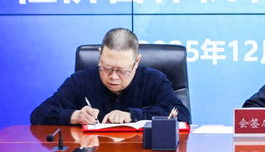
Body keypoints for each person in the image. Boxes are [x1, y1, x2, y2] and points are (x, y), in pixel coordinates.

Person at [30, 28, 190, 125]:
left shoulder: (154, 81)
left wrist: (134, 115)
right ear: (100, 55)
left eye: (122, 70)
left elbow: (182, 116)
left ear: (136, 62)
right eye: (106, 67)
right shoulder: (81, 81)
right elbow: (39, 115)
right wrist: (75, 116)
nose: (113, 77)